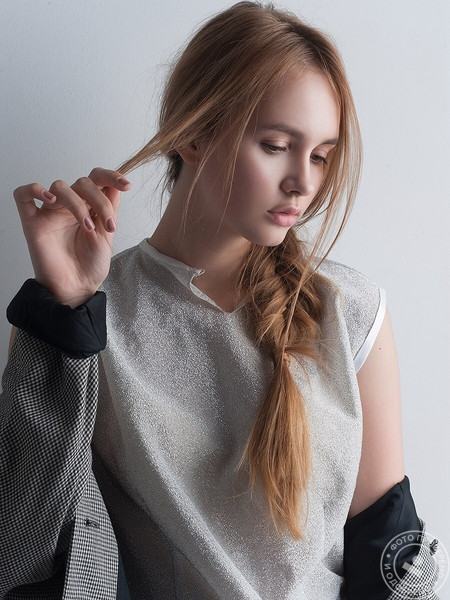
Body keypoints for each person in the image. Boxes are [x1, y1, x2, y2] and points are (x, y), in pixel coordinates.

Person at [0, 1, 441, 599]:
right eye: (276, 145)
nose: (303, 182)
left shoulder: (349, 309)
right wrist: (66, 308)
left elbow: (389, 547)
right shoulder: (83, 316)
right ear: (192, 134)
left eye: (319, 156)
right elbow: (25, 547)